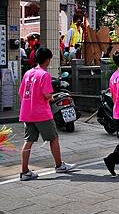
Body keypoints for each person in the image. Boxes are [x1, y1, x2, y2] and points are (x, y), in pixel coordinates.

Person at [18, 48, 76, 181]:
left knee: (28, 141)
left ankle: (25, 171)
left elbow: (21, 93)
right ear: (48, 59)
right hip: (41, 113)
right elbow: (47, 95)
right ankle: (59, 165)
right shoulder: (44, 75)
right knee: (53, 138)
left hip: (27, 112)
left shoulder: (28, 73)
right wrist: (52, 97)